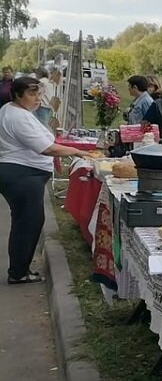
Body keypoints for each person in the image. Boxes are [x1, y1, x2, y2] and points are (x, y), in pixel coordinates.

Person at [0, 77, 93, 283]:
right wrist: (78, 151)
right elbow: (47, 148)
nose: (38, 100)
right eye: (32, 94)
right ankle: (18, 273)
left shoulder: (11, 110)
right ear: (17, 95)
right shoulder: (19, 116)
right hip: (22, 175)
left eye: (39, 94)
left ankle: (19, 269)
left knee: (25, 221)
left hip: (19, 173)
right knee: (29, 222)